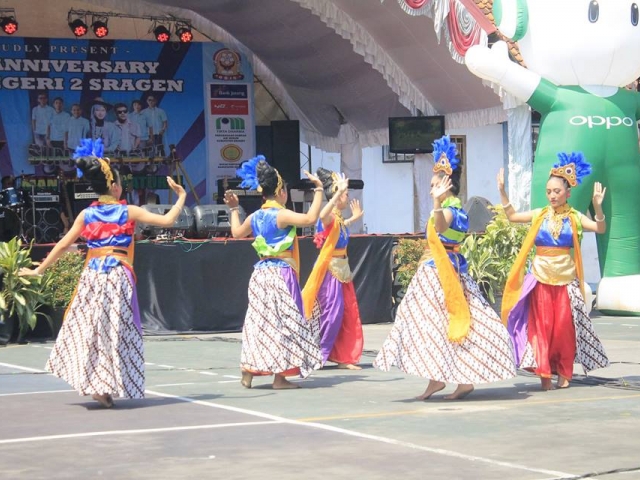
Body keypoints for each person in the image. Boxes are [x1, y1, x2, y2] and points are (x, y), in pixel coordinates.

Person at [20, 138, 187, 408]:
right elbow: (168, 220)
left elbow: (62, 245)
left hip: (93, 275)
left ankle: (98, 383)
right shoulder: (128, 210)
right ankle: (102, 384)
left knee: (92, 328)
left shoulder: (86, 215)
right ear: (115, 186)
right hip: (116, 274)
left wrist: (39, 269)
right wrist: (181, 197)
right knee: (113, 330)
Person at [375, 136, 516, 400]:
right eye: (431, 186)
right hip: (435, 272)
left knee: (439, 325)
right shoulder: (446, 208)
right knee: (433, 327)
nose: (431, 190)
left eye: (434, 185)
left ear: (446, 185)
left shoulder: (453, 210)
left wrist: (437, 203)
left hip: (442, 276)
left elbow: (440, 226)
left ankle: (454, 380)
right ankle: (441, 379)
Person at [224, 155, 347, 389]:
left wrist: (233, 209)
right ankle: (280, 377)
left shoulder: (256, 216)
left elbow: (237, 233)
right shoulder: (280, 214)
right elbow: (310, 219)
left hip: (260, 274)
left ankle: (248, 371)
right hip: (281, 273)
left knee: (258, 322)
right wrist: (318, 190)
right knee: (285, 323)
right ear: (281, 191)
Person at [498, 152, 609, 390]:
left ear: (568, 193)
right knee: (541, 327)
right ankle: (544, 373)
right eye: (549, 191)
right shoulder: (539, 214)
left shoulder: (575, 217)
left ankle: (564, 371)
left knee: (564, 329)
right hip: (540, 278)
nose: (552, 195)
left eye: (557, 191)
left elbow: (600, 228)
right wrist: (503, 192)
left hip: (566, 280)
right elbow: (513, 216)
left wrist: (598, 208)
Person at [301, 168, 364, 370]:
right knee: (331, 313)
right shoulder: (328, 216)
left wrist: (353, 218)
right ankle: (316, 354)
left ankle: (343, 357)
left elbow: (339, 226)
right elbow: (322, 215)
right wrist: (337, 193)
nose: (347, 197)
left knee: (346, 313)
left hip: (342, 270)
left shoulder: (337, 218)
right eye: (345, 194)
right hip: (330, 271)